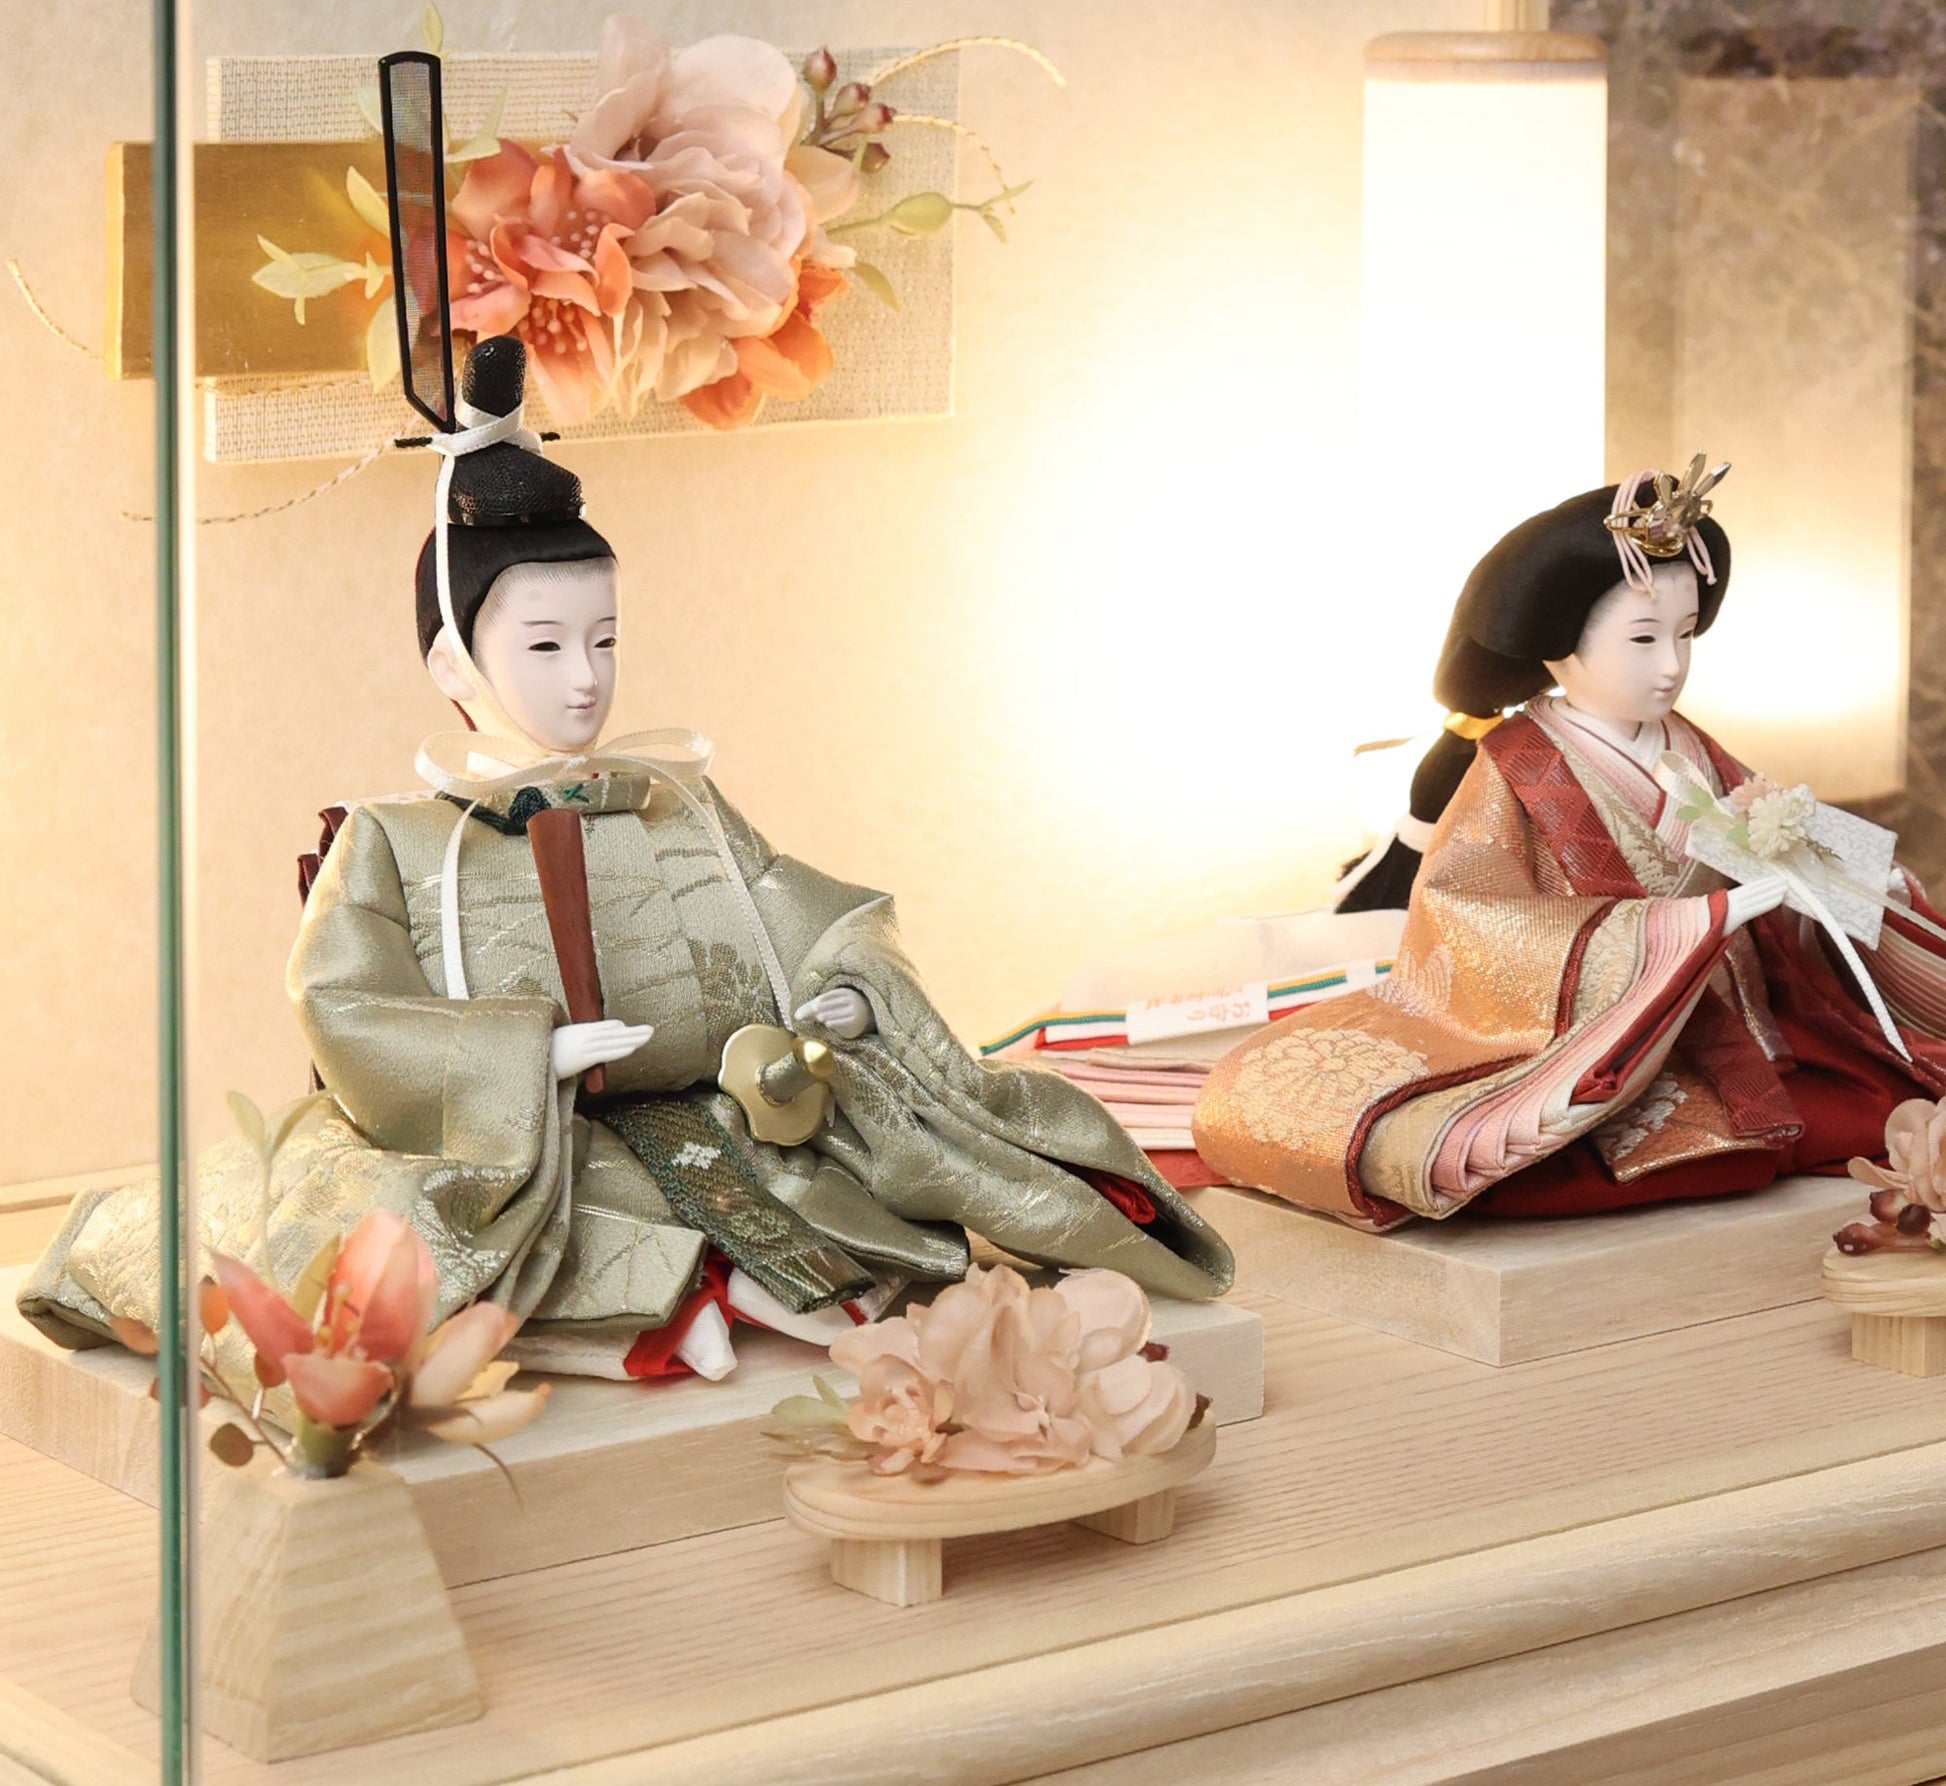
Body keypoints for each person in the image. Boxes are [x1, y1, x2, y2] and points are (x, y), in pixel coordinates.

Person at [24, 337, 1231, 1383]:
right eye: (544, 645)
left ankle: (786, 1297)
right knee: (483, 1222)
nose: (586, 679)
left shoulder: (672, 800)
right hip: (529, 1135)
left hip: (717, 1111)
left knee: (851, 1191)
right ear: (452, 663)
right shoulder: (399, 838)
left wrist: (848, 986)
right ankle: (664, 1315)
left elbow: (815, 911)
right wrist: (524, 1058)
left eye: (603, 638)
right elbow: (345, 1004)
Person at [1195, 461, 1946, 1227]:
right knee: (1541, 1153)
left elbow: (1785, 836)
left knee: (1878, 1088)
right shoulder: (1518, 762)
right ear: (1558, 649)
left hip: (1738, 1024)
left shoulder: (1688, 746)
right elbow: (1468, 915)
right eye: (1643, 637)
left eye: (1685, 634)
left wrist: (1860, 885)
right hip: (1606, 1047)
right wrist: (1687, 925)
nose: (1671, 665)